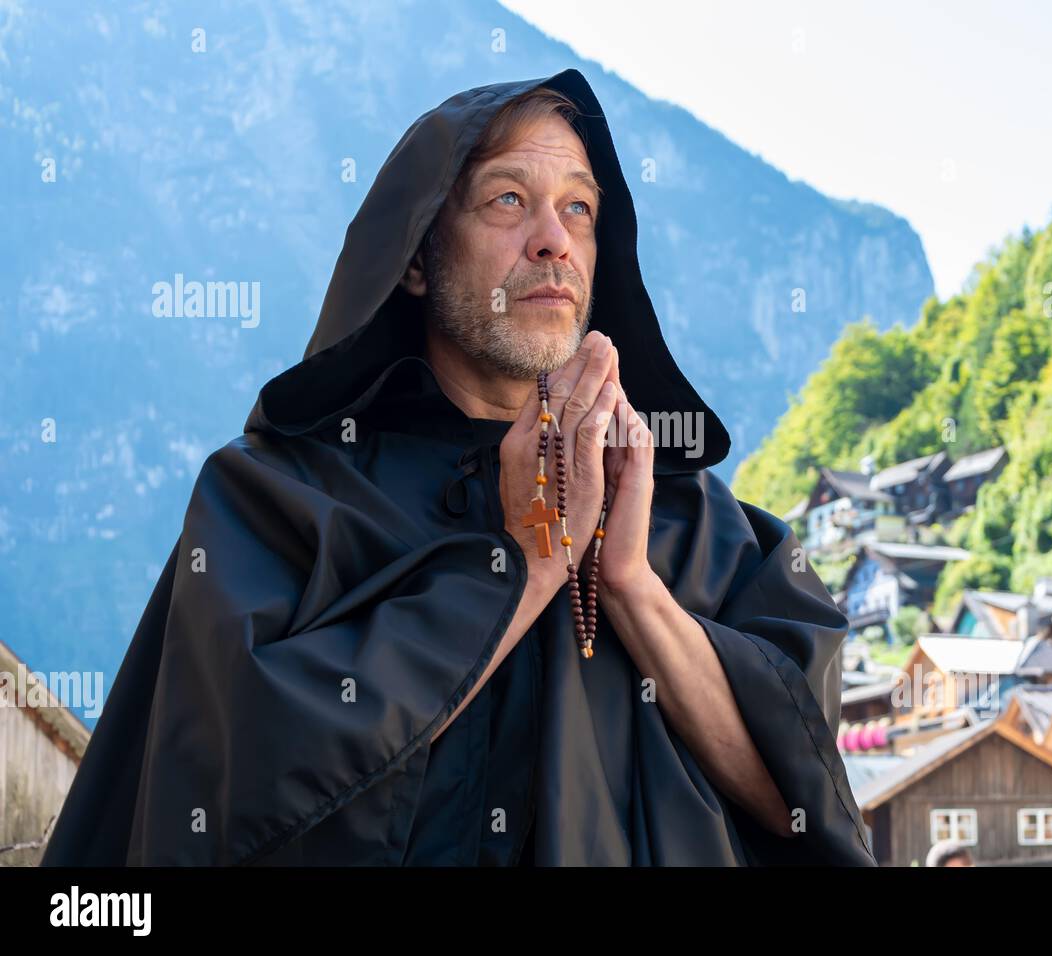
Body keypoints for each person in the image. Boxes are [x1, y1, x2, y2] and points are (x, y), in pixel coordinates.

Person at [40, 68, 876, 866]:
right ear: (414, 256)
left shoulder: (693, 522)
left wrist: (628, 582)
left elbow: (800, 806)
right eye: (508, 199)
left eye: (579, 209)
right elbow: (233, 799)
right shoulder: (277, 498)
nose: (553, 241)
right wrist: (527, 565)